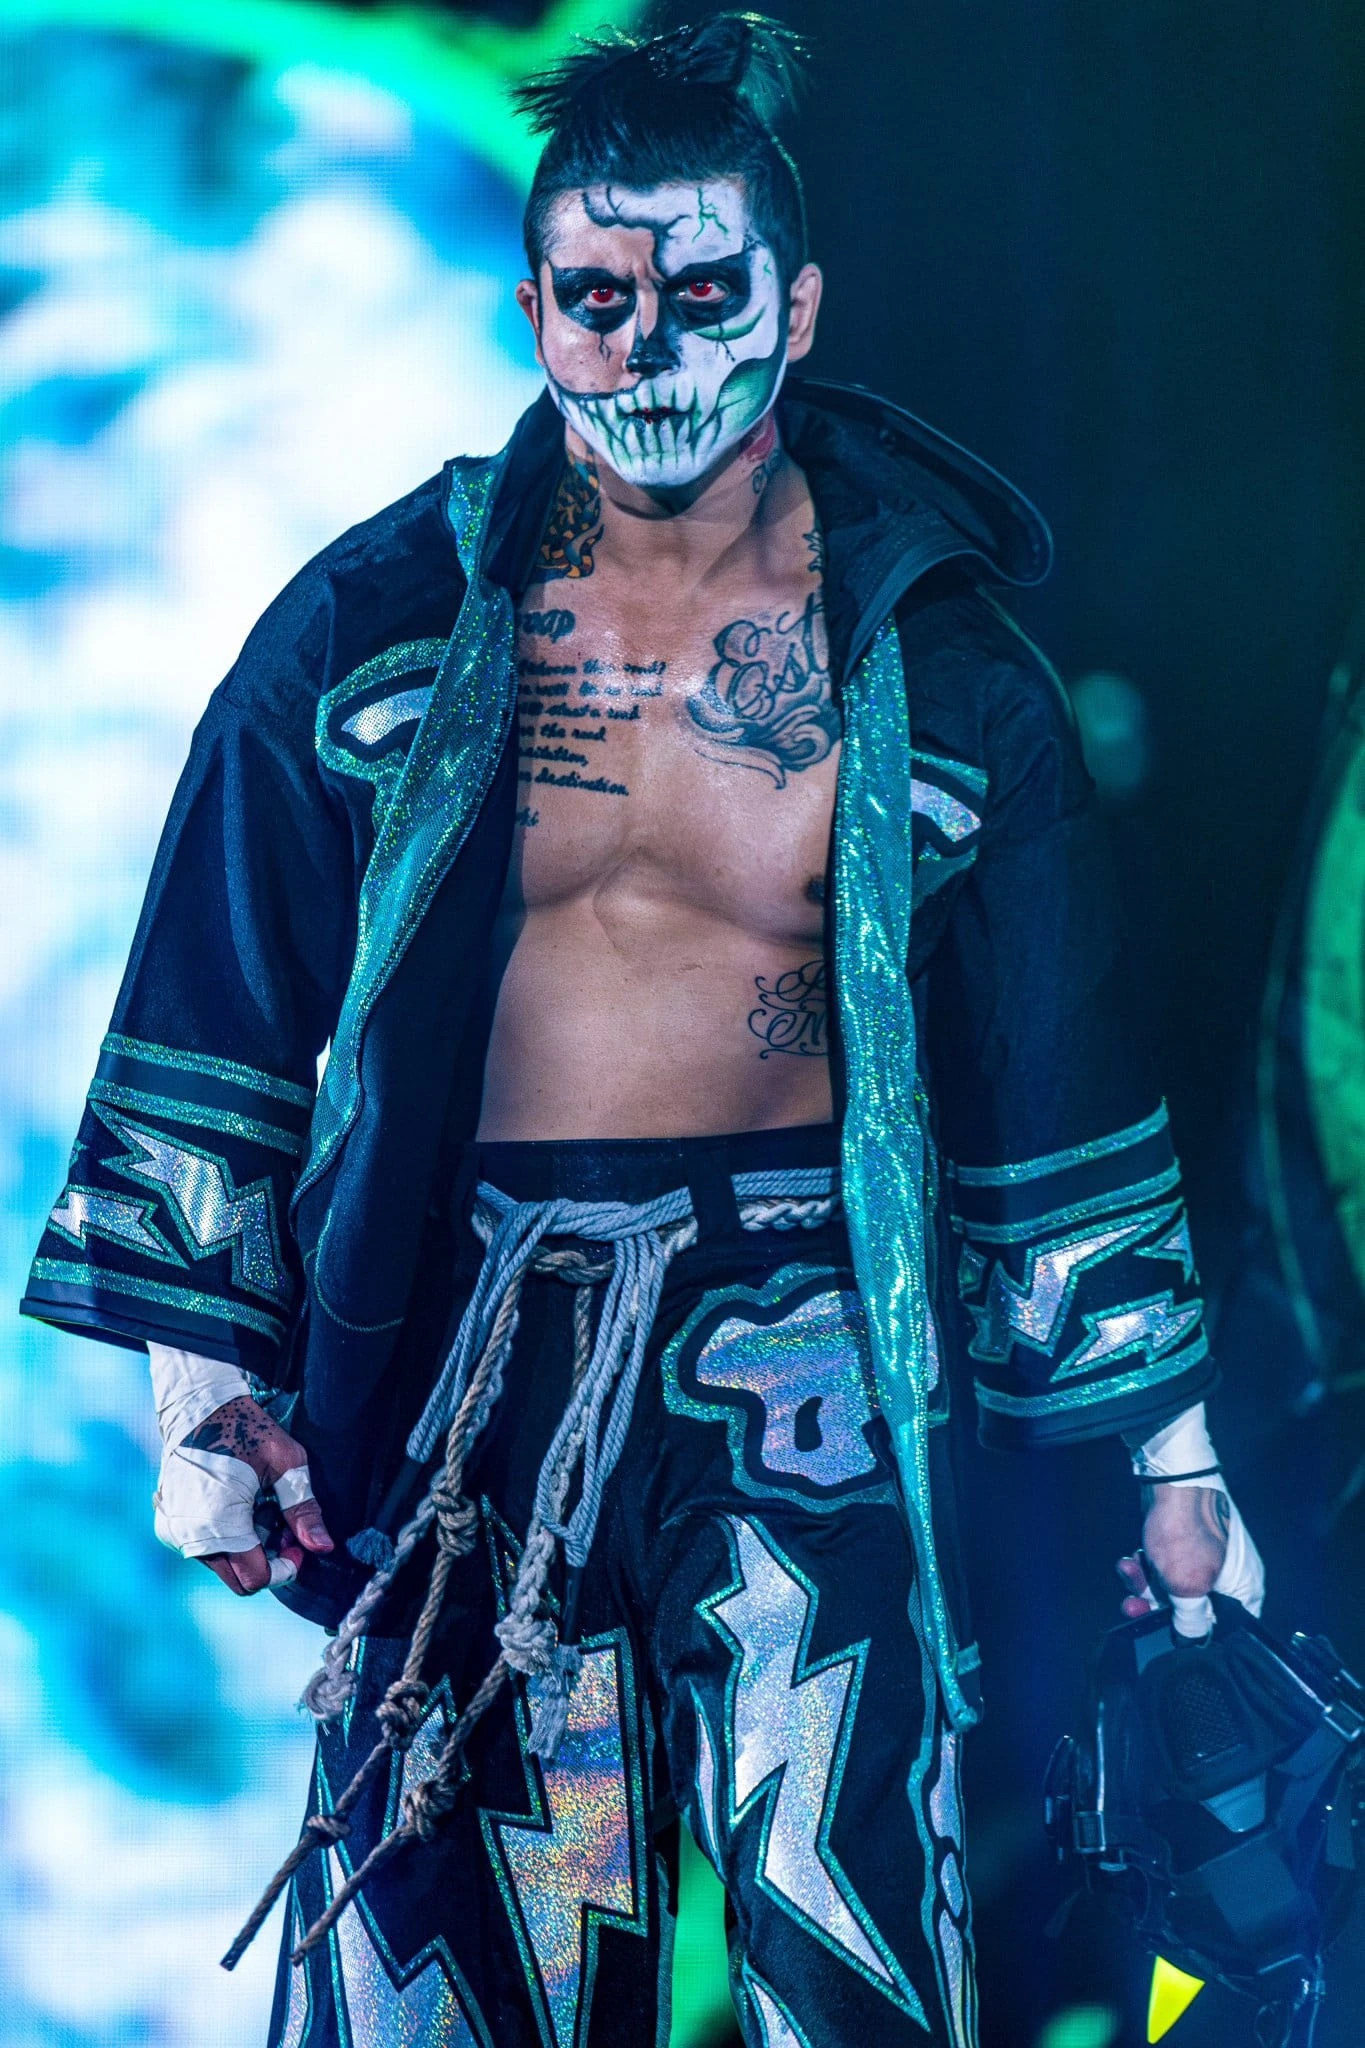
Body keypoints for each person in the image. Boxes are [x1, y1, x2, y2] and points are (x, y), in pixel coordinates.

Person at [21, 19, 1263, 2046]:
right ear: (531, 311)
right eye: (600, 301)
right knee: (471, 1939)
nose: (651, 349)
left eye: (703, 295)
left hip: (805, 1356)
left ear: (798, 304)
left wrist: (1170, 1455)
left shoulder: (944, 664)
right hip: (468, 1361)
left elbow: (1060, 1073)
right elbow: (218, 979)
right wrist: (195, 1387)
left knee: (838, 1937)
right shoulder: (379, 620)